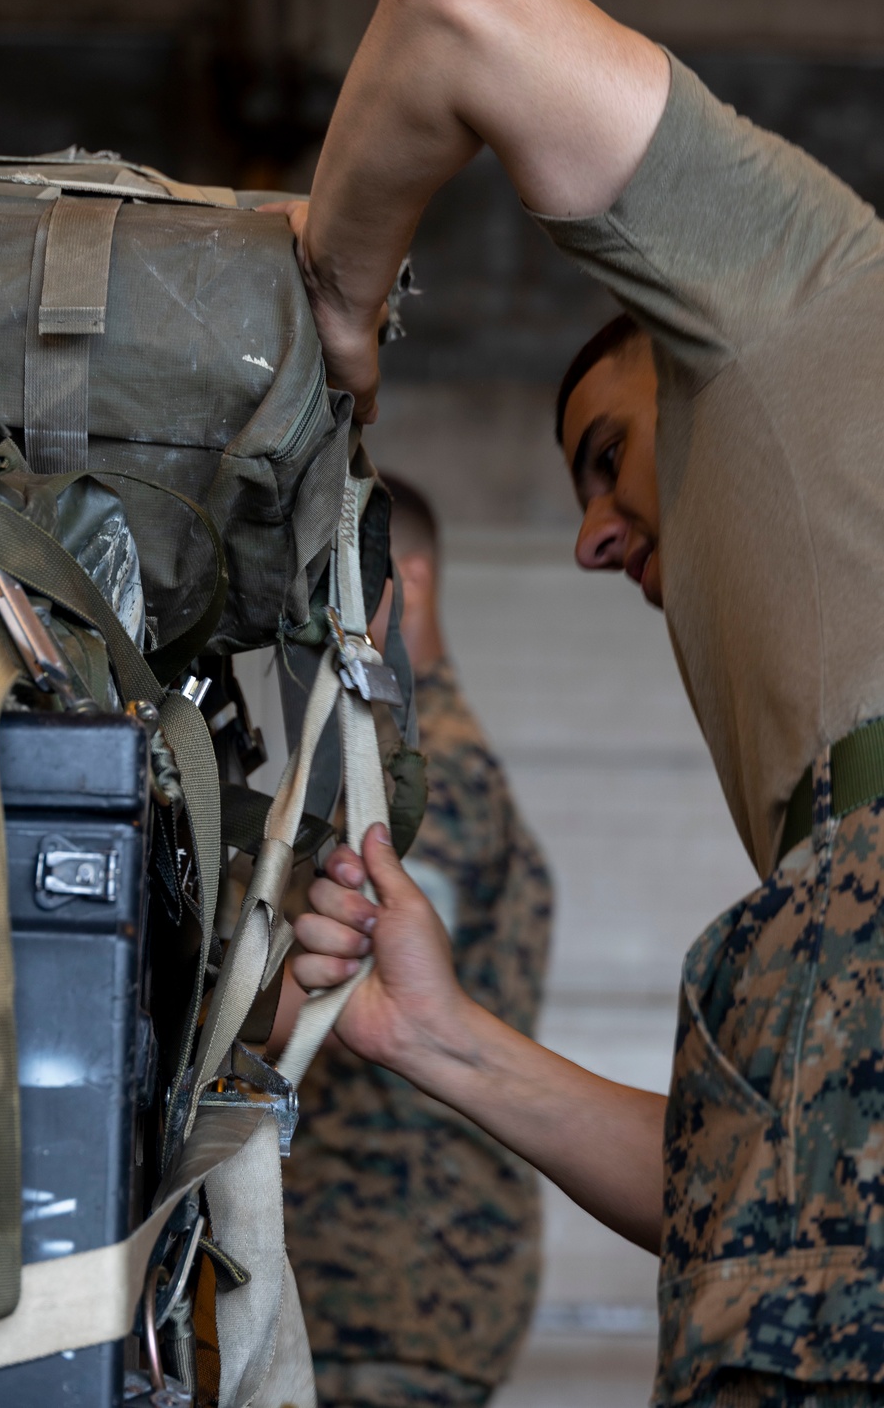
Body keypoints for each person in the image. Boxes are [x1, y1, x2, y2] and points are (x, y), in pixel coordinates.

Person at [268, 0, 884, 1407]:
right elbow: (755, 1213)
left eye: (609, 464)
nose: (594, 545)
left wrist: (334, 313)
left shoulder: (814, 301)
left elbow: (455, 0)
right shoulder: (823, 834)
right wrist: (444, 1039)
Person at [271, 474, 553, 1408]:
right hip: (397, 1262)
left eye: (346, 592)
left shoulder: (434, 785)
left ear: (412, 585)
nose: (323, 622)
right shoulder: (408, 764)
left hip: (396, 1269)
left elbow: (339, 994)